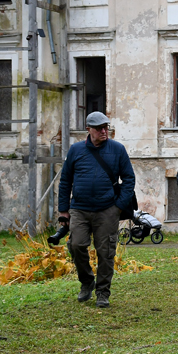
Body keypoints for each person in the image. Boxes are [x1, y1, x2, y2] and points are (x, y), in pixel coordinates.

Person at [57, 111, 135, 309]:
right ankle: (87, 282)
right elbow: (65, 181)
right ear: (88, 129)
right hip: (79, 209)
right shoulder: (75, 150)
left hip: (107, 209)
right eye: (99, 128)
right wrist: (63, 211)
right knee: (76, 245)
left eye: (106, 127)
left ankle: (102, 292)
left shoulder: (117, 149)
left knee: (106, 252)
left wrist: (118, 207)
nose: (104, 131)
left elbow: (129, 179)